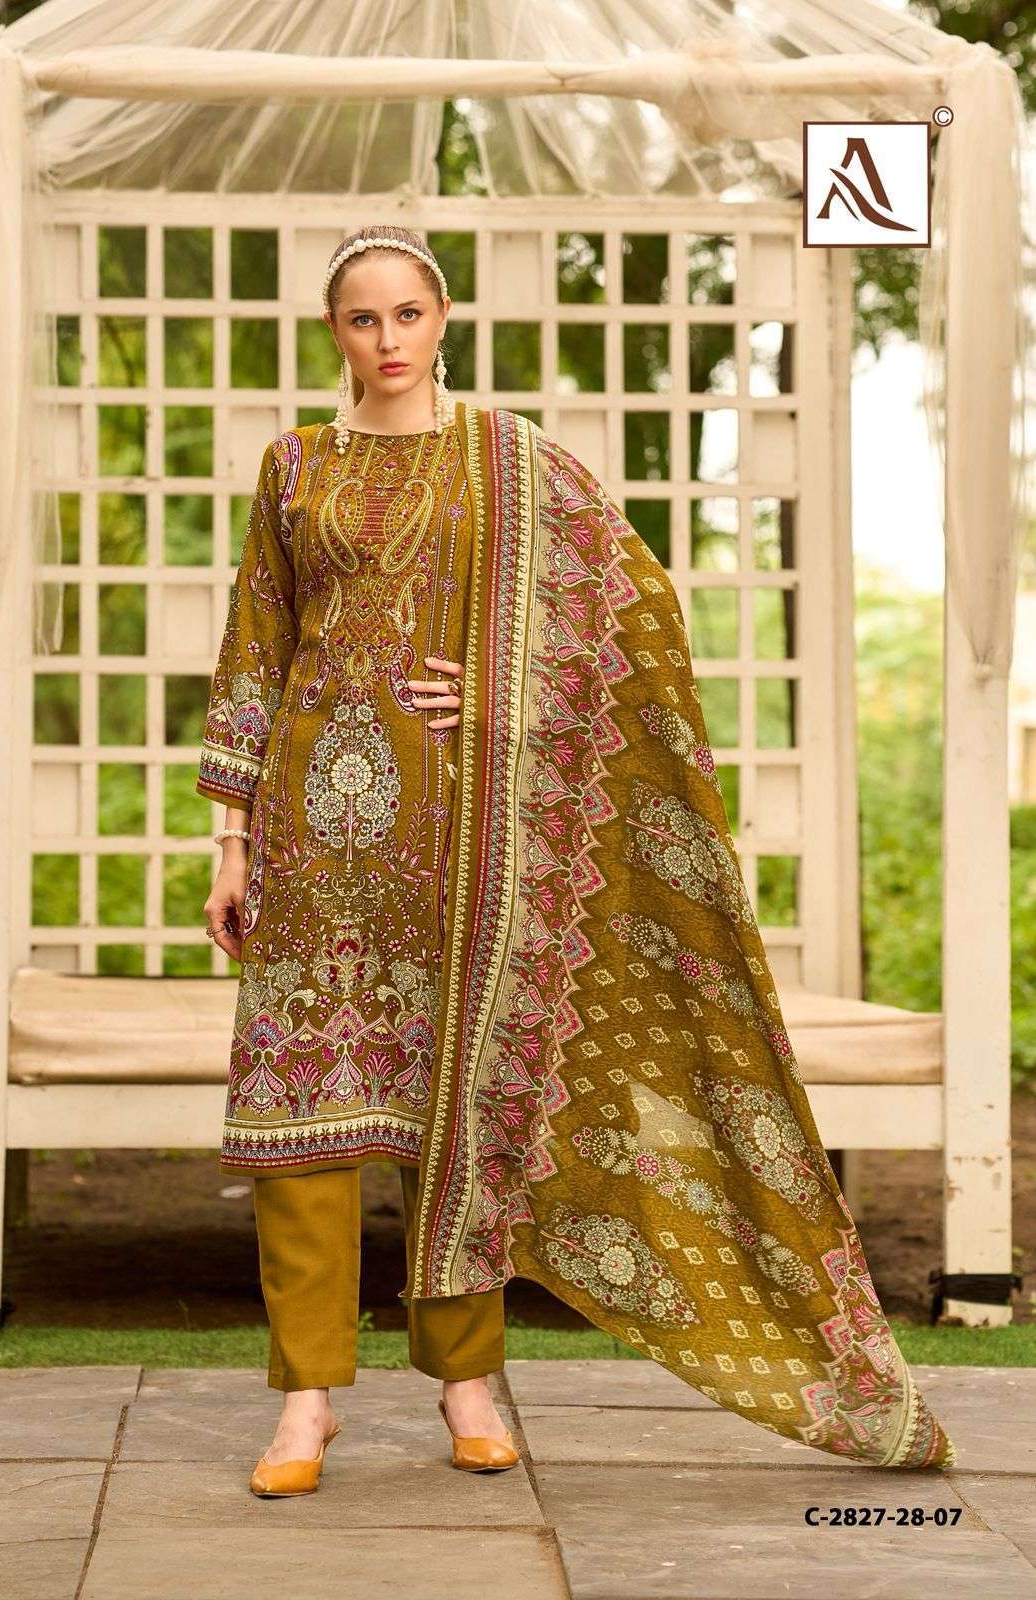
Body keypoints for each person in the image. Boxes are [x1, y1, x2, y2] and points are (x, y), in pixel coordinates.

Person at [198, 226, 956, 1498]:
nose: (386, 339)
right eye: (361, 319)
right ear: (333, 331)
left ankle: (467, 1385)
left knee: (462, 1106)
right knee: (300, 1116)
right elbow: (253, 651)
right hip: (308, 836)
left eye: (405, 314)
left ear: (442, 318)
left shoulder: (512, 461)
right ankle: (305, 1402)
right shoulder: (294, 466)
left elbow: (631, 615)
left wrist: (501, 690)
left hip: (463, 838)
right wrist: (229, 840)